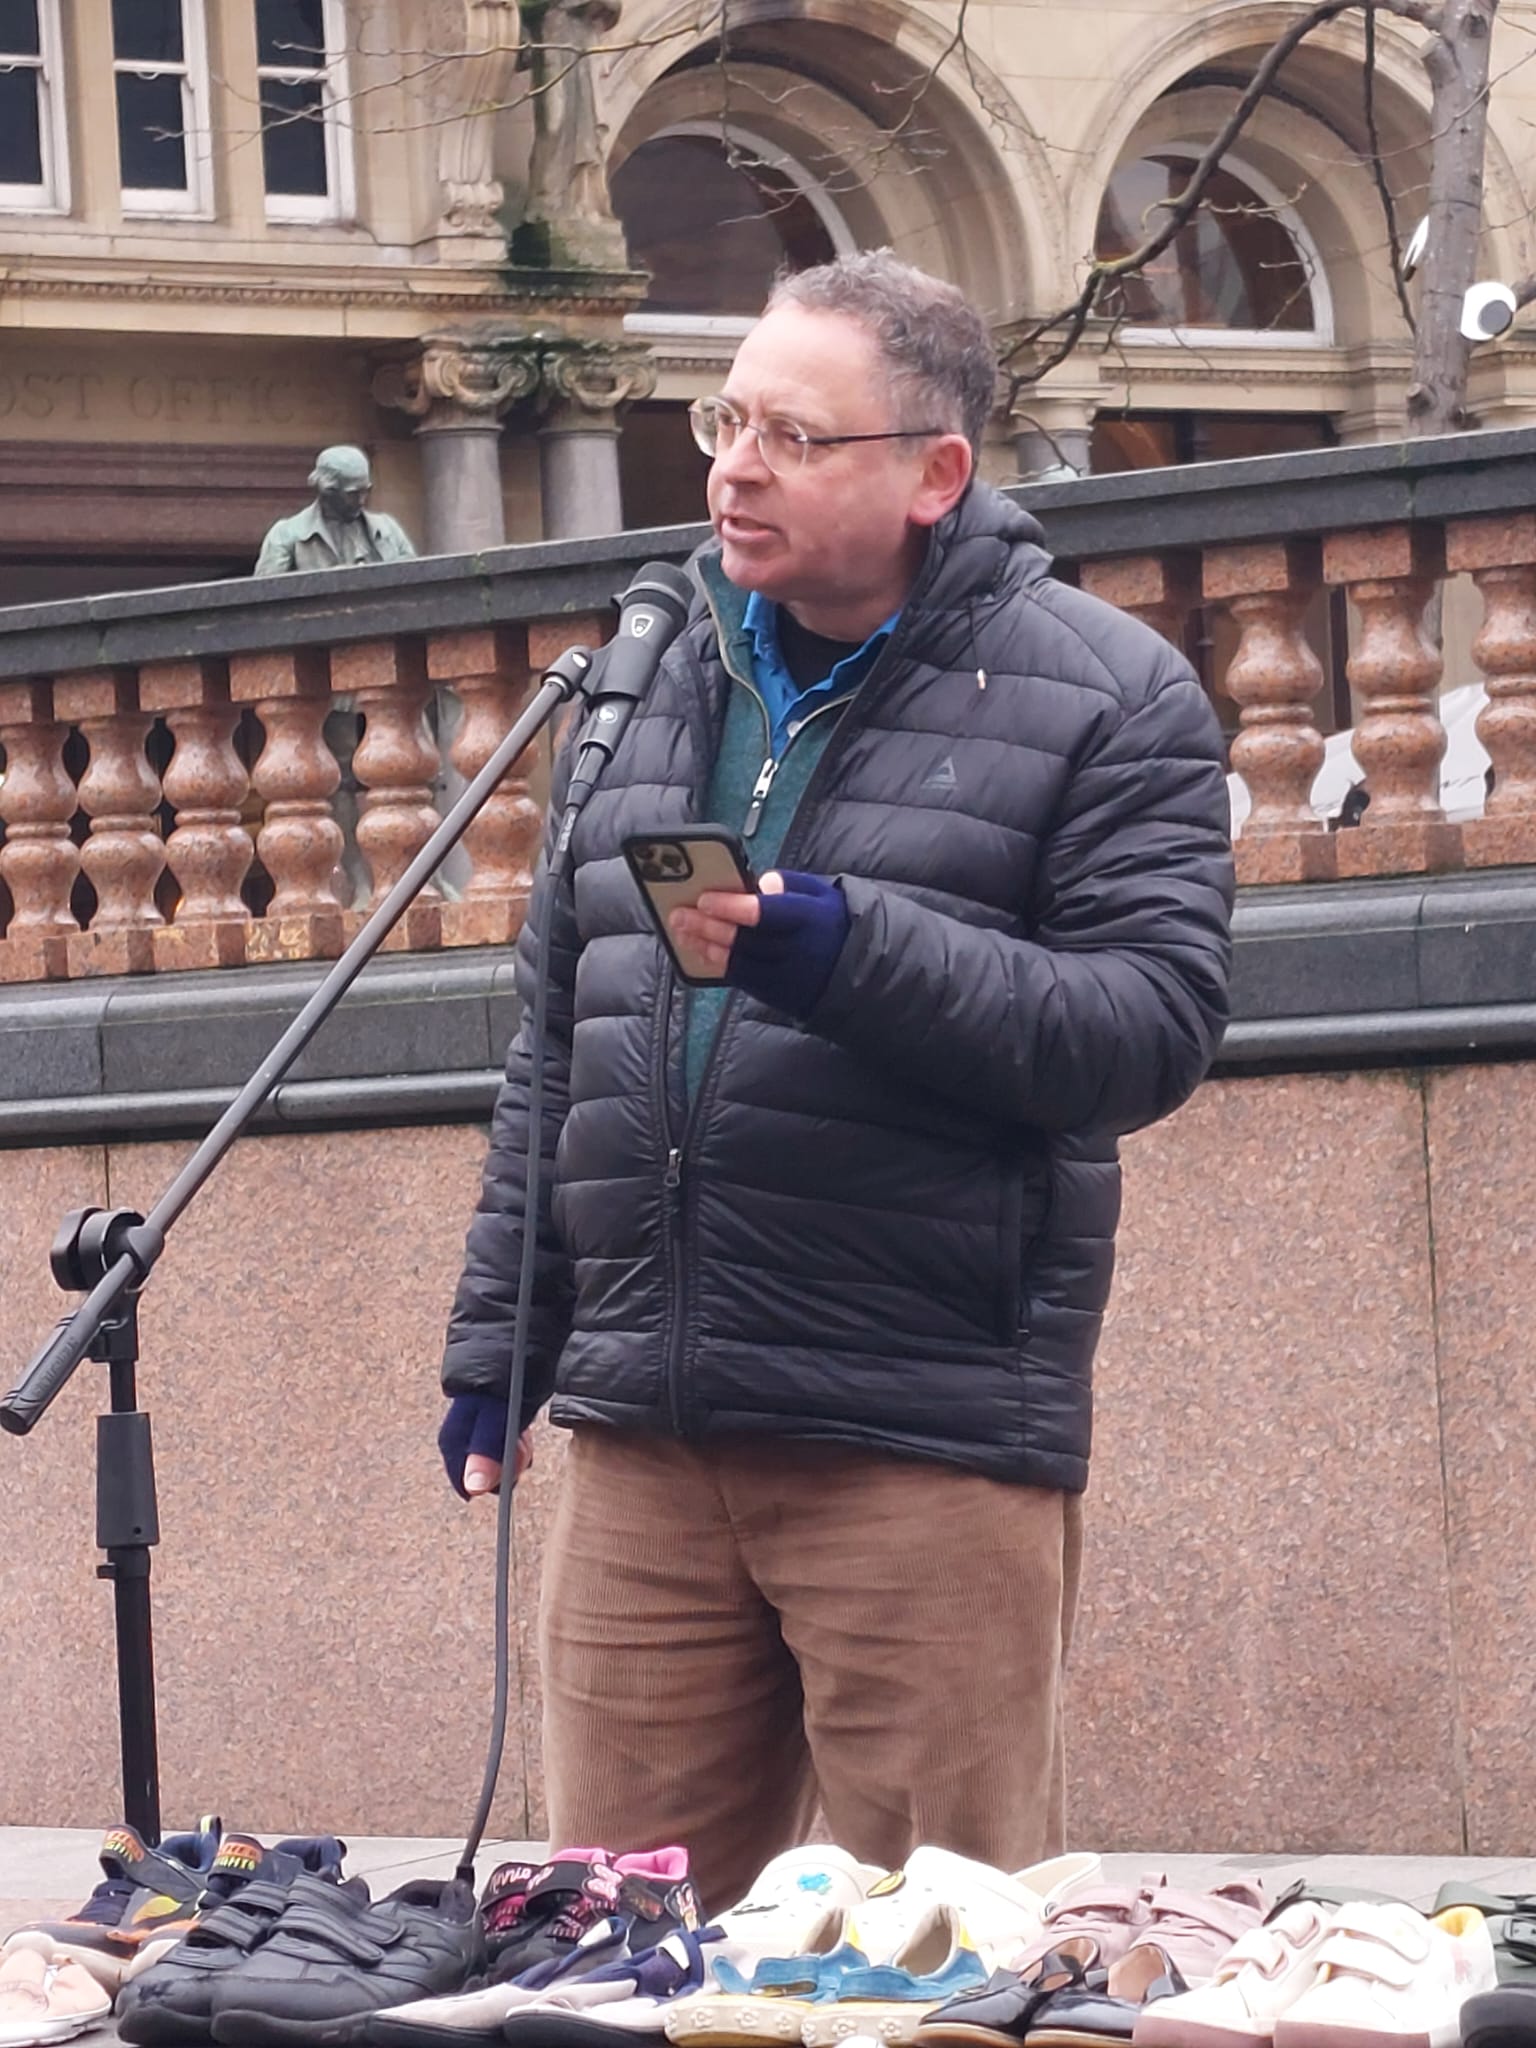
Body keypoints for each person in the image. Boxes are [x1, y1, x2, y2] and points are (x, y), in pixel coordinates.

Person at [437, 251, 1234, 1912]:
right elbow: (558, 1037)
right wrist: (498, 1344)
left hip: (916, 1439)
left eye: (794, 435)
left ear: (933, 473)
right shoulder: (647, 672)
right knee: (617, 1951)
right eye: (726, 416)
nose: (731, 463)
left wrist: (838, 951)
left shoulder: (1109, 694)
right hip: (645, 1435)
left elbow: (1143, 1028)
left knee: (925, 1964)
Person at [253, 445, 416, 575]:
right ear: (327, 491)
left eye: (365, 491)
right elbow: (265, 598)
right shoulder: (286, 535)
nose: (362, 500)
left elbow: (415, 583)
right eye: (352, 494)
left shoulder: (388, 530)